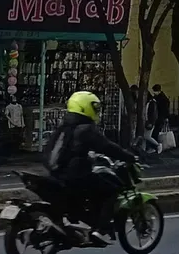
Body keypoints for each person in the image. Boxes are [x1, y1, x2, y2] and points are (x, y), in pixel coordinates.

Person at [43, 90, 135, 236]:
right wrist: (129, 156)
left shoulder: (65, 125)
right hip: (75, 175)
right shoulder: (86, 129)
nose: (97, 112)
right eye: (95, 108)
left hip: (56, 173)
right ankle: (101, 229)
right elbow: (107, 146)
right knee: (113, 190)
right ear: (85, 107)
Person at [145, 84, 170, 154]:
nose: (154, 93)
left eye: (154, 91)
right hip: (159, 118)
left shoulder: (159, 99)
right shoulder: (161, 98)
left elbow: (163, 109)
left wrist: (165, 117)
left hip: (159, 118)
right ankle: (155, 147)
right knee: (154, 133)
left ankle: (156, 147)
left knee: (154, 134)